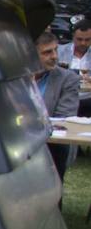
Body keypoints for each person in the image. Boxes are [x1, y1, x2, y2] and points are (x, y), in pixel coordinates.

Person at [37, 30, 80, 179]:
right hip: (18, 140)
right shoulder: (16, 78)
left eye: (55, 50)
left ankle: (54, 200)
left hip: (52, 142)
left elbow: (63, 119)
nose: (55, 56)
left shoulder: (68, 78)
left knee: (55, 149)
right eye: (47, 52)